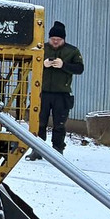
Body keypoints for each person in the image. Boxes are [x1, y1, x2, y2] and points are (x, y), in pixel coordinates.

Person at [35, 20, 84, 155]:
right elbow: (29, 64)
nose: (55, 42)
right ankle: (37, 149)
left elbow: (80, 68)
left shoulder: (72, 51)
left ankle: (58, 150)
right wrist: (42, 64)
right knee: (39, 122)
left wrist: (64, 65)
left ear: (64, 39)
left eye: (58, 39)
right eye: (53, 39)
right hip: (42, 92)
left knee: (59, 124)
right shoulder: (41, 49)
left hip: (62, 94)